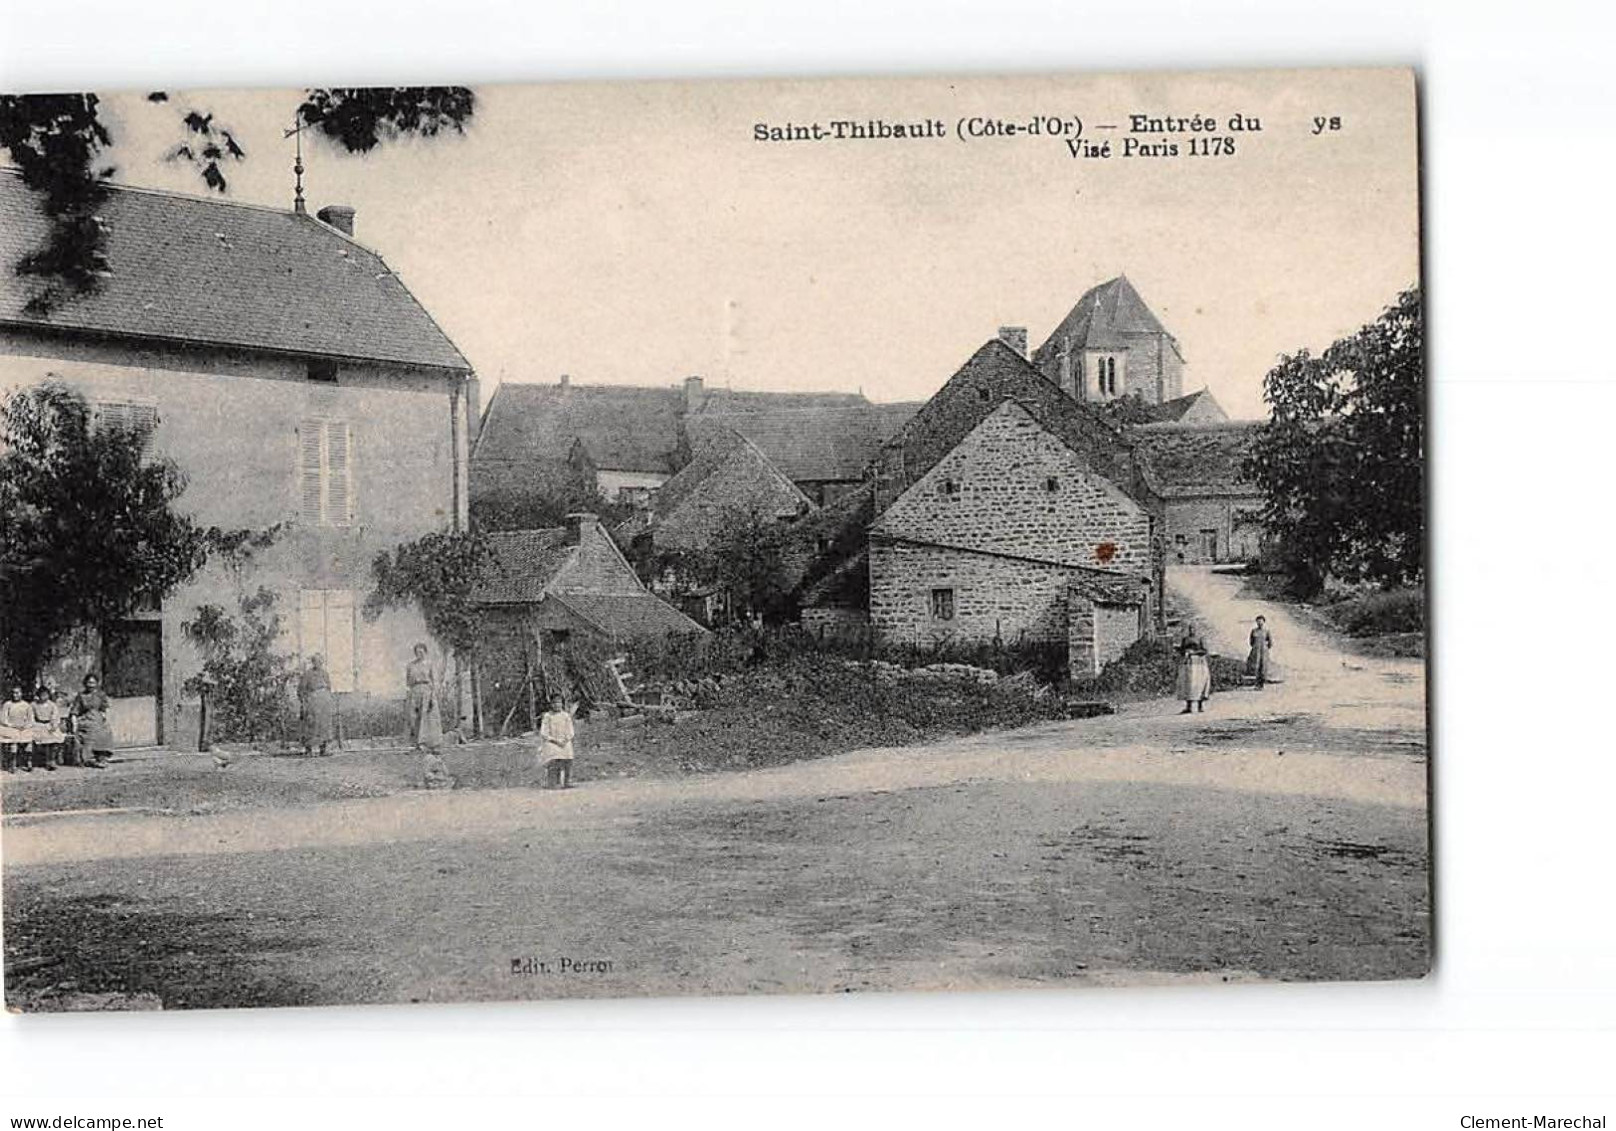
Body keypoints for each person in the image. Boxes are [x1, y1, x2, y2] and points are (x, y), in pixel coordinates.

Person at [71, 673, 114, 769]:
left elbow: (104, 709)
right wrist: (74, 723)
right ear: (85, 683)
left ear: (97, 684)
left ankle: (101, 758)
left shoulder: (101, 695)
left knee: (105, 731)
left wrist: (104, 718)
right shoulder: (81, 696)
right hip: (85, 718)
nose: (91, 685)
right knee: (90, 730)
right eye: (89, 683)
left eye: (93, 683)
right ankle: (87, 758)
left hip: (97, 717)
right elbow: (75, 711)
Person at [297, 654, 336, 757]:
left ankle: (323, 749)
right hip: (312, 702)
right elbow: (301, 689)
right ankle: (308, 750)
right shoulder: (307, 674)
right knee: (311, 724)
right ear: (313, 662)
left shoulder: (325, 674)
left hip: (324, 702)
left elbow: (329, 687)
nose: (318, 664)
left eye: (320, 662)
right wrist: (304, 702)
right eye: (315, 661)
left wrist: (329, 698)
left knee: (324, 725)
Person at [405, 644, 440, 750]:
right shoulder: (411, 665)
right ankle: (417, 743)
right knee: (414, 717)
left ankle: (430, 742)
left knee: (428, 717)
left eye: (421, 652)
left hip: (427, 691)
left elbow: (434, 680)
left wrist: (432, 694)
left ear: (425, 652)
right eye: (417, 652)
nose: (419, 654)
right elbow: (408, 681)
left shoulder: (430, 664)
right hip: (415, 691)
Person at [539, 695, 575, 789]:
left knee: (568, 758)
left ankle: (567, 781)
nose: (557, 705)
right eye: (554, 703)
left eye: (559, 703)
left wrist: (566, 739)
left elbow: (570, 731)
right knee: (554, 759)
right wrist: (554, 740)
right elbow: (544, 732)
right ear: (551, 704)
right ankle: (554, 782)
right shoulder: (548, 716)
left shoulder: (566, 715)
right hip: (552, 741)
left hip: (564, 741)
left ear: (562, 704)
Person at [1175, 626, 1212, 714]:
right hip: (1188, 663)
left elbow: (1204, 651)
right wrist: (1181, 651)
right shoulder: (1185, 639)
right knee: (1188, 683)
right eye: (1190, 629)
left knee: (1199, 682)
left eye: (1194, 629)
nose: (1192, 630)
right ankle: (1188, 706)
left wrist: (1194, 652)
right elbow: (1181, 650)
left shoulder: (1200, 639)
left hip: (1199, 663)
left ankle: (1200, 705)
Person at [30, 685, 65, 771]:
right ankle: (37, 760)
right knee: (38, 737)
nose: (43, 696)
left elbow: (55, 716)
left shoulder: (52, 705)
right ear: (38, 695)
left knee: (54, 737)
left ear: (49, 695)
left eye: (45, 694)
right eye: (41, 694)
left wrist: (54, 725)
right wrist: (33, 724)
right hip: (38, 725)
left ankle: (51, 760)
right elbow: (30, 717)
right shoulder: (34, 705)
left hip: (49, 724)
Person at [1, 685, 33, 773]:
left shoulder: (26, 705)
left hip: (23, 727)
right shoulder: (7, 704)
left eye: (17, 693)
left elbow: (30, 719)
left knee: (28, 739)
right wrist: (12, 725)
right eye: (13, 693)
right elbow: (3, 719)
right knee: (13, 741)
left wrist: (26, 726)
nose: (15, 695)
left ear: (21, 694)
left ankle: (28, 762)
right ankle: (13, 763)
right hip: (11, 727)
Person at [1246, 615, 1274, 689]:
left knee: (1263, 667)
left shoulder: (1267, 631)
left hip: (1264, 651)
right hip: (1256, 651)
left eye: (1261, 621)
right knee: (1256, 667)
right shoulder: (1254, 631)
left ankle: (1261, 684)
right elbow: (1251, 642)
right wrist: (1255, 647)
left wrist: (1265, 648)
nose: (1259, 622)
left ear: (1264, 622)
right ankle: (1256, 684)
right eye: (1258, 621)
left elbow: (1270, 642)